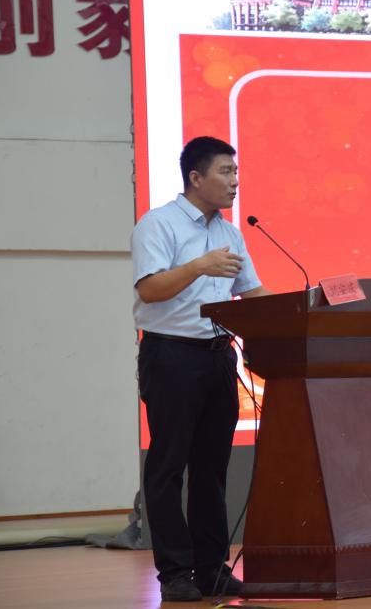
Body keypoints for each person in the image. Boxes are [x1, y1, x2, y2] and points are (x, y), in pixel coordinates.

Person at [131, 136, 271, 602]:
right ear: (195, 177)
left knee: (211, 469)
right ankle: (175, 572)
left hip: (217, 356)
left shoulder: (230, 232)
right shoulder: (158, 224)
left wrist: (311, 304)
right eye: (225, 172)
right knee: (168, 466)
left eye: (236, 172)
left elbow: (251, 293)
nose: (235, 181)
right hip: (171, 356)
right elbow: (150, 290)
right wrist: (199, 266)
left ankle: (211, 569)